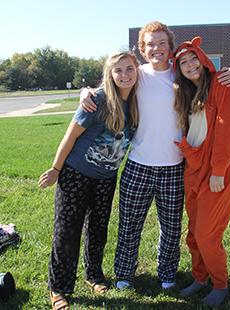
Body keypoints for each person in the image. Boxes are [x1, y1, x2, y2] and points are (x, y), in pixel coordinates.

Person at [80, 21, 230, 291]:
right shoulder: (136, 75)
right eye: (150, 44)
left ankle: (167, 273)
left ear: (170, 46)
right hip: (138, 164)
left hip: (175, 167)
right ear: (143, 49)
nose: (156, 48)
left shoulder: (181, 77)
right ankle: (124, 274)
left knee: (171, 228)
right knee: (129, 225)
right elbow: (109, 85)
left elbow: (208, 81)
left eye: (161, 43)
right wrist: (84, 92)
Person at [38, 51, 139, 310]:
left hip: (106, 179)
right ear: (110, 73)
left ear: (136, 70)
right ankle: (58, 287)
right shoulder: (98, 100)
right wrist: (55, 169)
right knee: (67, 232)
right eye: (118, 70)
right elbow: (70, 137)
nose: (124, 75)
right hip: (75, 175)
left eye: (129, 69)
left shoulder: (138, 101)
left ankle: (93, 275)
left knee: (98, 230)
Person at [172, 36, 230, 306]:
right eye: (183, 63)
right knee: (193, 231)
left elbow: (227, 131)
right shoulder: (185, 92)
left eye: (193, 59)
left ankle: (220, 283)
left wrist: (219, 171)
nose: (190, 65)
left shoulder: (221, 86)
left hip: (215, 173)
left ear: (203, 59)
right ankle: (199, 278)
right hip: (193, 169)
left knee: (207, 233)